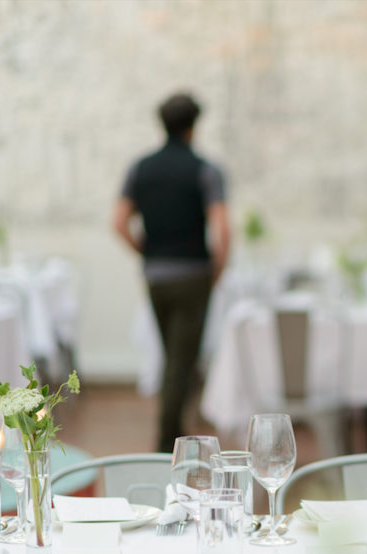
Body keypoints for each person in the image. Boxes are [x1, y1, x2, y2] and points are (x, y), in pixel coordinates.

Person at [113, 92, 231, 453]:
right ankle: (168, 442)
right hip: (193, 274)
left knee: (173, 357)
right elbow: (222, 229)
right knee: (182, 360)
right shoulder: (205, 169)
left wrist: (146, 253)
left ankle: (178, 428)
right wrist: (217, 269)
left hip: (156, 276)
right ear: (194, 127)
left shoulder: (140, 168)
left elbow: (119, 223)